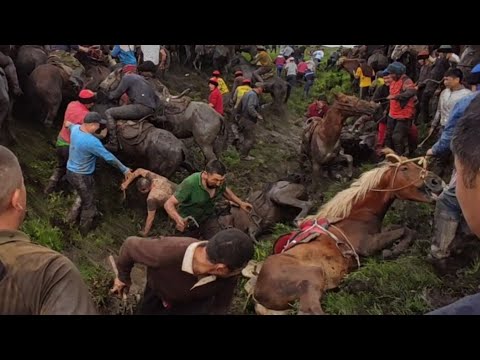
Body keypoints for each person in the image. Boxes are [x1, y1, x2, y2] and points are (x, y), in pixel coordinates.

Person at [0, 145, 97, 314]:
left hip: (69, 168)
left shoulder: (74, 130)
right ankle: (82, 226)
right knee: (86, 201)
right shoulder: (51, 271)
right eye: (22, 184)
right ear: (16, 199)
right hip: (80, 175)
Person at [110, 228, 254, 315]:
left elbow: (221, 304)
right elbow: (130, 246)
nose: (236, 274)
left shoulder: (228, 275)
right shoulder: (166, 251)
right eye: (236, 271)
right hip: (156, 296)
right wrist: (123, 278)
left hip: (193, 307)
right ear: (220, 268)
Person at [427, 93, 480, 315]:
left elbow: (450, 132)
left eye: (458, 171)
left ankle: (439, 253)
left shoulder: (467, 103)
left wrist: (435, 149)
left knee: (447, 202)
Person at [66, 112, 132, 234]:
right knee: (89, 206)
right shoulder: (92, 142)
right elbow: (109, 157)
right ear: (91, 125)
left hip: (70, 171)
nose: (98, 128)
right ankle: (82, 233)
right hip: (82, 176)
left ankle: (69, 220)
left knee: (82, 197)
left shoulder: (75, 129)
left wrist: (68, 124)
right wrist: (124, 169)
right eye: (97, 125)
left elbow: (68, 125)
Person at [164, 160, 252, 239]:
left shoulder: (219, 183)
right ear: (205, 174)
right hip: (189, 222)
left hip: (208, 218)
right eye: (215, 180)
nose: (218, 183)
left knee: (217, 243)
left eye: (221, 180)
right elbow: (168, 204)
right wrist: (178, 219)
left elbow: (225, 190)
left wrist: (240, 203)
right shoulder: (190, 183)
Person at [44, 89, 96, 195]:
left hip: (60, 142)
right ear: (88, 103)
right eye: (92, 102)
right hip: (71, 148)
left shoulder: (71, 104)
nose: (93, 104)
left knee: (60, 167)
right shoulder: (86, 116)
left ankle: (48, 189)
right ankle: (66, 192)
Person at [104, 72, 160, 152]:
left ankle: (113, 143)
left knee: (109, 112)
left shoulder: (126, 78)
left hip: (141, 108)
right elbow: (157, 99)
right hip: (151, 109)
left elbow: (115, 95)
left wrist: (106, 94)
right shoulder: (143, 79)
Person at [120, 168, 176, 237]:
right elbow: (139, 170)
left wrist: (145, 232)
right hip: (180, 190)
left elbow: (150, 218)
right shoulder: (154, 177)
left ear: (143, 190)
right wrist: (126, 183)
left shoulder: (151, 198)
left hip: (178, 205)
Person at [383, 61, 417, 156]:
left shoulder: (407, 81)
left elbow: (411, 92)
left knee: (397, 138)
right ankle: (389, 157)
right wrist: (386, 110)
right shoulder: (393, 82)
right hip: (392, 114)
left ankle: (399, 158)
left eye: (392, 73)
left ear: (398, 73)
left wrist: (396, 96)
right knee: (388, 137)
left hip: (404, 115)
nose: (391, 75)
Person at [236, 82, 265, 160]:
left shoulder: (247, 93)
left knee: (243, 136)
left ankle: (239, 152)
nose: (262, 91)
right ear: (259, 88)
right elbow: (250, 107)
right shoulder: (253, 95)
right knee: (250, 138)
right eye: (262, 89)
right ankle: (244, 156)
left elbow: (239, 105)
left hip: (242, 119)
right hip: (248, 120)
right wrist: (257, 115)